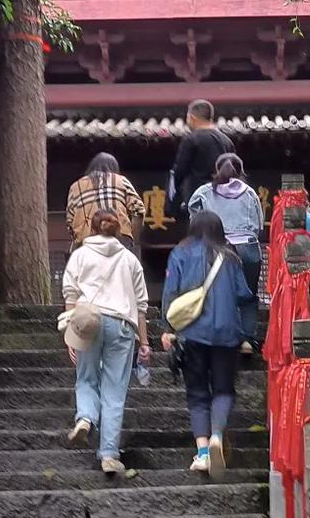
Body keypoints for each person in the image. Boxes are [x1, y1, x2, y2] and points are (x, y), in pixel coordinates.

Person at [161, 211, 256, 477]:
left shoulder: (180, 253)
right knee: (224, 389)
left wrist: (167, 330)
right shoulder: (231, 257)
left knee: (197, 393)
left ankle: (203, 453)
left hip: (191, 334)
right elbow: (243, 294)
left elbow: (171, 292)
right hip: (227, 334)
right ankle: (216, 435)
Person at [60, 209, 150, 478]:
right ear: (118, 229)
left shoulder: (80, 255)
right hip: (122, 325)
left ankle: (86, 416)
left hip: (89, 321)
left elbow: (70, 293)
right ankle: (109, 454)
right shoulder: (129, 259)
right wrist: (144, 341)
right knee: (114, 391)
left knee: (86, 378)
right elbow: (141, 305)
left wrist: (70, 329)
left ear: (93, 227)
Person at [188, 153, 265, 299]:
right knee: (248, 298)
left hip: (216, 248)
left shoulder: (203, 192)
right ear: (240, 171)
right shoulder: (250, 193)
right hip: (248, 249)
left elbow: (195, 220)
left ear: (217, 169)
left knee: (218, 299)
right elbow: (259, 226)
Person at [65, 151, 145, 247]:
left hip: (87, 241)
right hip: (119, 237)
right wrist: (132, 236)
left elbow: (70, 221)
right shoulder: (121, 181)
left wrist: (78, 239)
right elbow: (139, 210)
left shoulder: (76, 187)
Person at [168, 99, 228, 220]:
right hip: (222, 203)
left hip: (197, 201)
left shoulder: (191, 140)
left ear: (191, 117)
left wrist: (173, 203)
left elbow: (179, 172)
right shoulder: (226, 141)